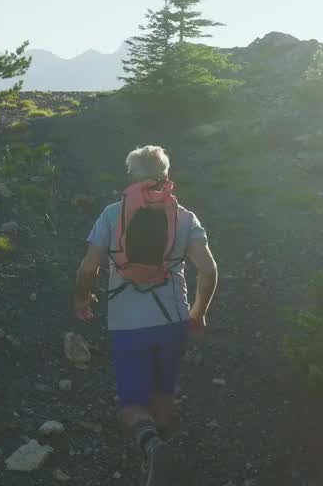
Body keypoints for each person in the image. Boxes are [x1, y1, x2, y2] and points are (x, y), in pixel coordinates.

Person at [73, 145, 219, 486]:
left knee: (131, 404)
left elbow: (87, 268)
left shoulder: (112, 214)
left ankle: (152, 447)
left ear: (131, 176)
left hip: (127, 326)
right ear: (165, 176)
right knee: (163, 394)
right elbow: (209, 271)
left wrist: (82, 300)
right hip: (173, 321)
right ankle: (160, 459)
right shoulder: (185, 217)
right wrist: (198, 314)